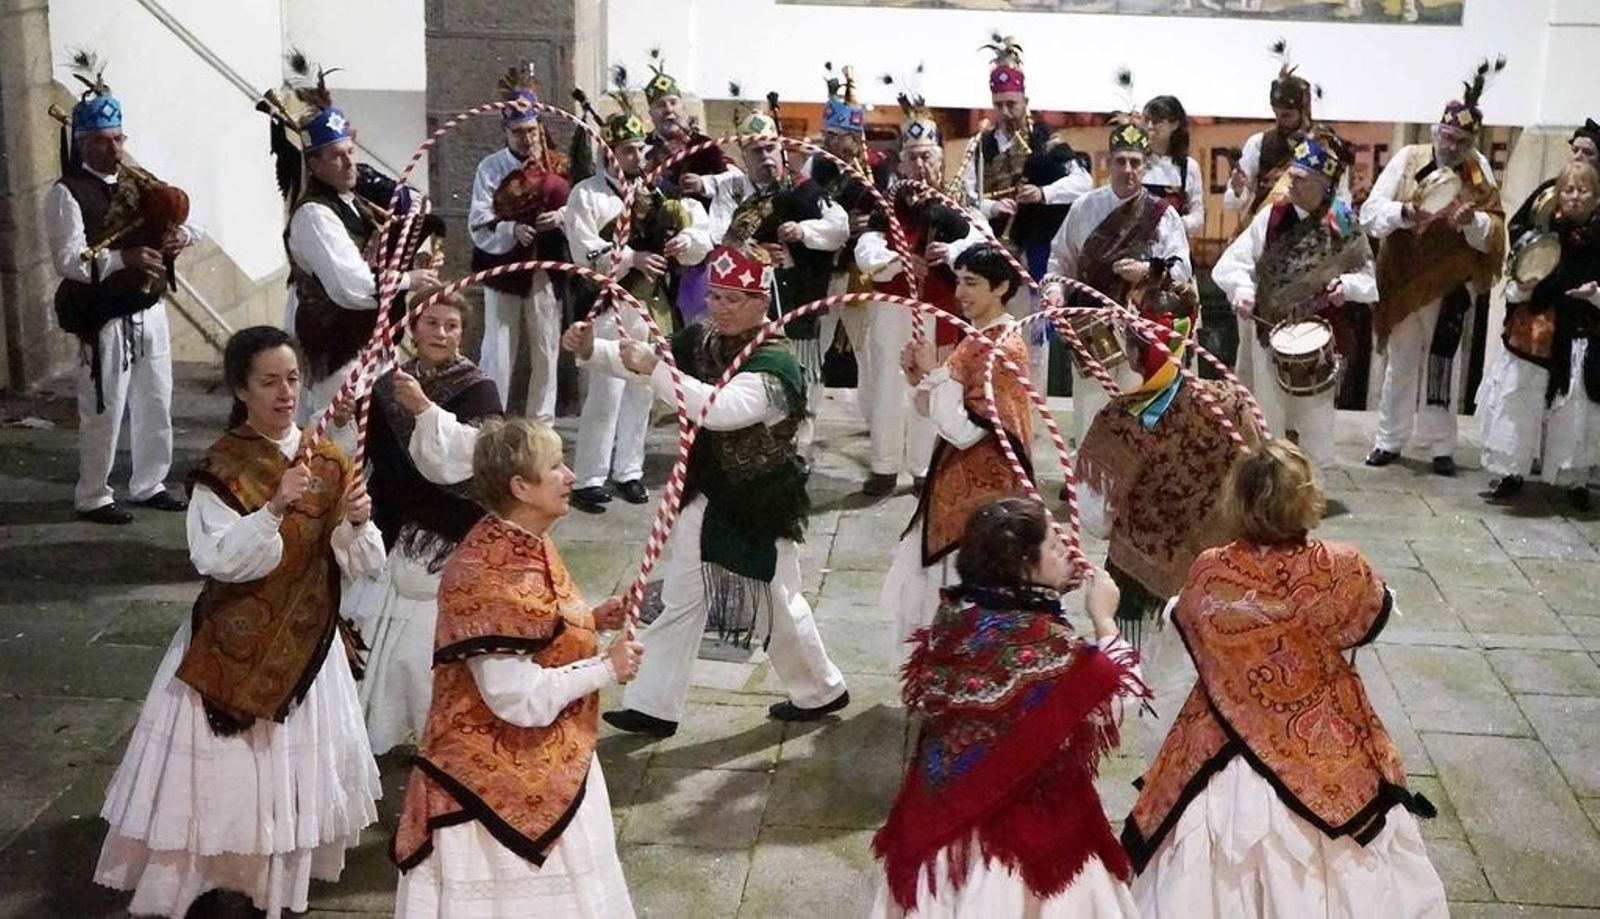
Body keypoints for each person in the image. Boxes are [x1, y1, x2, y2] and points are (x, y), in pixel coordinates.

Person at [94, 326, 385, 918]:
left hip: (307, 645)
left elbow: (361, 564)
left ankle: (273, 883)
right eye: (269, 382)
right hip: (233, 645)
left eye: (293, 379)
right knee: (229, 777)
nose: (285, 393)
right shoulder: (222, 467)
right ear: (241, 390)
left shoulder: (326, 457)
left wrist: (356, 523)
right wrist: (275, 506)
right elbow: (216, 558)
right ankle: (215, 876)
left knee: (290, 774)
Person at [1122, 440, 1447, 918]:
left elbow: (1182, 619)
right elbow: (1380, 611)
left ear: (1236, 499)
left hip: (1220, 742)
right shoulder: (1341, 567)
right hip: (1323, 747)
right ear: (1306, 499)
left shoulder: (1210, 569)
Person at [566, 244, 849, 738]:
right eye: (715, 295)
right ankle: (653, 705)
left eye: (734, 298)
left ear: (762, 301)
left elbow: (717, 409)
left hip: (760, 503)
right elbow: (647, 358)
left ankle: (821, 689)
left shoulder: (776, 365)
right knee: (681, 598)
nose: (720, 306)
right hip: (707, 492)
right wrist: (593, 349)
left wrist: (654, 370)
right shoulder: (703, 339)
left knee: (776, 602)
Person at [391, 418, 641, 917]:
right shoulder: (488, 573)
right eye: (555, 466)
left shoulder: (526, 538)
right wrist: (605, 670)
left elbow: (533, 631)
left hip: (548, 758)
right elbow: (516, 699)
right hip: (489, 786)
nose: (571, 475)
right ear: (520, 487)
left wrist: (590, 620)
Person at [871, 497, 1143, 918]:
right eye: (1055, 546)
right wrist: (1104, 619)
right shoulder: (1047, 646)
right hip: (1021, 845)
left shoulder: (954, 621)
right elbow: (1119, 700)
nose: (1069, 548)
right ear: (1022, 565)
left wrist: (1049, 589)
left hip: (942, 828)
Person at [46, 55, 201, 524]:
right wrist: (122, 258)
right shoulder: (66, 193)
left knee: (156, 400)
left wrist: (182, 236)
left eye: (118, 139)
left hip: (148, 306)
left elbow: (190, 220)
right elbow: (69, 260)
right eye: (102, 142)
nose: (113, 150)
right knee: (104, 407)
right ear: (83, 144)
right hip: (103, 315)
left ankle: (149, 482)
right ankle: (93, 493)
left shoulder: (139, 181)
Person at [358, 293, 502, 754]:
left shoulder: (479, 388)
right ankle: (375, 728)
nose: (441, 333)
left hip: (448, 533)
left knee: (423, 646)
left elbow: (478, 459)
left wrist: (424, 410)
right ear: (413, 329)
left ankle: (438, 735)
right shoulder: (386, 386)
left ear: (463, 333)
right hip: (392, 524)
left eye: (452, 325)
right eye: (432, 323)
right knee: (379, 632)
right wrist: (345, 421)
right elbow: (368, 455)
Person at [1076, 300, 1263, 649]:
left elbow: (1093, 520)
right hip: (1220, 578)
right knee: (1202, 670)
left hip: (1135, 575)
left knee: (1134, 668)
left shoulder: (1117, 422)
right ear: (1188, 339)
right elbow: (1258, 484)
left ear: (1134, 353)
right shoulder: (1233, 403)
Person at [880, 244, 1033, 662]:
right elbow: (942, 410)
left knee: (961, 591)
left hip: (982, 493)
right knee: (934, 587)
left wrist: (932, 375)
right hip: (954, 482)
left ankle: (956, 672)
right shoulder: (977, 339)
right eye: (960, 281)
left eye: (973, 283)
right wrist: (919, 381)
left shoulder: (1002, 348)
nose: (961, 293)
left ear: (1001, 287)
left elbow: (966, 430)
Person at [275, 71, 440, 451]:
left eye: (350, 152)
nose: (349, 163)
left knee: (374, 436)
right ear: (314, 165)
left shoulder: (354, 202)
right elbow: (350, 287)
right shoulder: (315, 215)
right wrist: (407, 280)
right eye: (336, 156)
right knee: (338, 441)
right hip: (336, 344)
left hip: (369, 337)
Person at [563, 94, 710, 513]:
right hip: (608, 303)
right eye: (626, 150)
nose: (634, 156)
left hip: (649, 304)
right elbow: (583, 250)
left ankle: (628, 470)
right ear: (608, 152)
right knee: (605, 391)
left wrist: (686, 242)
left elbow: (698, 230)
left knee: (642, 390)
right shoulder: (586, 196)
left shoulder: (656, 193)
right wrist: (631, 257)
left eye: (637, 150)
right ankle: (590, 476)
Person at [1362, 59, 1508, 477]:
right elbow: (1371, 213)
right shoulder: (1408, 158)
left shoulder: (1480, 174)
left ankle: (1441, 446)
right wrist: (1406, 213)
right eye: (1447, 136)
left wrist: (1471, 224)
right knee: (1402, 361)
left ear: (1470, 142)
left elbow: (1495, 230)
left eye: (1461, 140)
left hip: (1449, 285)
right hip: (1405, 278)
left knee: (1445, 365)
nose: (1452, 145)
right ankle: (1389, 440)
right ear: (1435, 132)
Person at [1213, 135, 1375, 472]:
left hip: (1319, 337)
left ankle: (1311, 496)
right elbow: (1231, 264)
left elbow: (1369, 281)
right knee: (1269, 420)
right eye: (1292, 175)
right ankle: (1272, 495)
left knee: (1316, 423)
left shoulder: (1342, 221)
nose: (1291, 184)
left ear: (1322, 183)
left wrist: (1346, 286)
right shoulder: (1271, 216)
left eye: (1300, 179)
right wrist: (1242, 289)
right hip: (1268, 332)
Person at [854, 93, 988, 496]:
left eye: (928, 157)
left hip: (942, 314)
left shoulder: (959, 207)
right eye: (913, 158)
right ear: (901, 162)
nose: (921, 165)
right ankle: (883, 466)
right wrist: (900, 260)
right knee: (887, 386)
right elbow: (866, 253)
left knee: (934, 385)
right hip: (893, 312)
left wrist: (952, 252)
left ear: (941, 160)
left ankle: (925, 468)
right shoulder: (888, 207)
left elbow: (985, 245)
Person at [702, 100, 850, 451]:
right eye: (756, 151)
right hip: (746, 306)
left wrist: (804, 232)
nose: (765, 156)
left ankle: (798, 447)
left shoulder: (803, 187)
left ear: (781, 148)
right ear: (743, 154)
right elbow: (719, 236)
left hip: (797, 298)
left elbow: (838, 227)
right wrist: (760, 255)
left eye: (770, 148)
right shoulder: (732, 191)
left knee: (802, 372)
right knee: (749, 373)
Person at [1043, 121, 1193, 450]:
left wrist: (1146, 271)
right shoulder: (1084, 207)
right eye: (1121, 161)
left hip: (1142, 330)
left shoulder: (1162, 214)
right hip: (1090, 330)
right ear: (1107, 163)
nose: (1128, 170)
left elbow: (1182, 270)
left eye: (1135, 162)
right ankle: (1087, 487)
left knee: (1136, 415)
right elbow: (1059, 260)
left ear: (1146, 165)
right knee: (1089, 410)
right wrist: (1054, 291)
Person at [962, 34, 1093, 392]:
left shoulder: (1047, 140)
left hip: (1036, 250)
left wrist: (1044, 193)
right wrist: (991, 206)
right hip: (995, 251)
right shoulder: (982, 145)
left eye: (1013, 104)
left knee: (1034, 340)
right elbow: (967, 196)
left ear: (1025, 101)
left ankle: (1030, 413)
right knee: (992, 332)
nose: (1007, 112)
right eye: (1000, 104)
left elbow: (1084, 181)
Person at [1477, 159, 1600, 509]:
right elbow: (1517, 279)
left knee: (1577, 407)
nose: (1575, 197)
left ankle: (1573, 478)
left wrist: (1595, 294)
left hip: (1582, 329)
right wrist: (1526, 287)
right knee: (1520, 400)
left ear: (1597, 196)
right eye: (1568, 190)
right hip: (1537, 330)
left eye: (1583, 190)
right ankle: (1511, 470)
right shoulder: (1543, 232)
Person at [468, 64, 568, 423]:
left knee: (546, 348)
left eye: (531, 131)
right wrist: (511, 230)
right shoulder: (490, 169)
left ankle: (542, 426)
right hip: (503, 272)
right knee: (498, 349)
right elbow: (478, 221)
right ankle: (490, 422)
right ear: (505, 131)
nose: (527, 139)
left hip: (544, 270)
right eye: (518, 132)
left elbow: (577, 206)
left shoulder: (556, 164)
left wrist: (561, 218)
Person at [807, 63, 892, 428]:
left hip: (861, 271)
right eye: (827, 134)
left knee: (868, 350)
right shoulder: (814, 167)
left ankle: (878, 426)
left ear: (854, 136)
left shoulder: (879, 169)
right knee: (814, 347)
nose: (830, 141)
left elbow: (890, 218)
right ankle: (803, 422)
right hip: (822, 269)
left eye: (837, 135)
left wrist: (867, 226)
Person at [642, 51, 734, 327]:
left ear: (683, 107)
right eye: (660, 105)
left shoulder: (705, 146)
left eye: (672, 102)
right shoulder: (642, 150)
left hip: (702, 252)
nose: (668, 110)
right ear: (650, 114)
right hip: (658, 252)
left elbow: (731, 188)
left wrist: (704, 184)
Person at [1142, 95, 1206, 238]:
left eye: (1157, 121)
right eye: (1146, 120)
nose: (1150, 126)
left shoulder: (1189, 167)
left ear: (1175, 124)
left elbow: (1197, 214)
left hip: (1173, 246)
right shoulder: (1134, 162)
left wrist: (1175, 224)